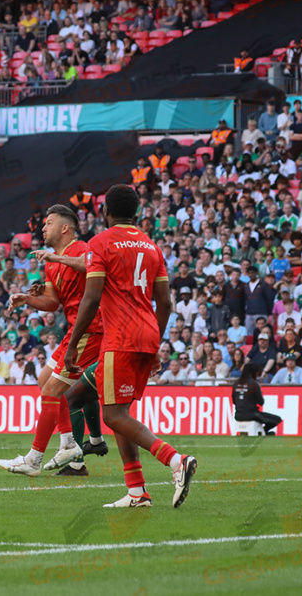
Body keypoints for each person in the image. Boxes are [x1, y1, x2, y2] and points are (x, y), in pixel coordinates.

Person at [65, 184, 197, 508]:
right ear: (136, 212)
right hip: (148, 333)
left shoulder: (101, 243)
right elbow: (165, 303)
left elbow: (92, 296)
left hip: (120, 338)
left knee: (112, 414)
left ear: (105, 212)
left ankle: (175, 461)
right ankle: (137, 492)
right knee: (120, 412)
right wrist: (155, 343)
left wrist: (72, 345)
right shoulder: (152, 247)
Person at [0, 205, 106, 478]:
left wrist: (57, 260)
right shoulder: (51, 260)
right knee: (44, 381)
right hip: (74, 330)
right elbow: (53, 302)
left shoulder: (81, 248)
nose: (43, 228)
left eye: (49, 223)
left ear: (65, 228)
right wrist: (27, 299)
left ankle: (33, 459)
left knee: (52, 392)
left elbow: (93, 266)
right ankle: (69, 444)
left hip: (92, 330)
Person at [232, 362, 282, 434]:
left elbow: (234, 401)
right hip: (252, 414)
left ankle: (261, 432)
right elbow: (261, 402)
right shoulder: (254, 384)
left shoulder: (236, 384)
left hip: (238, 415)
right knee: (277, 419)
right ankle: (263, 432)